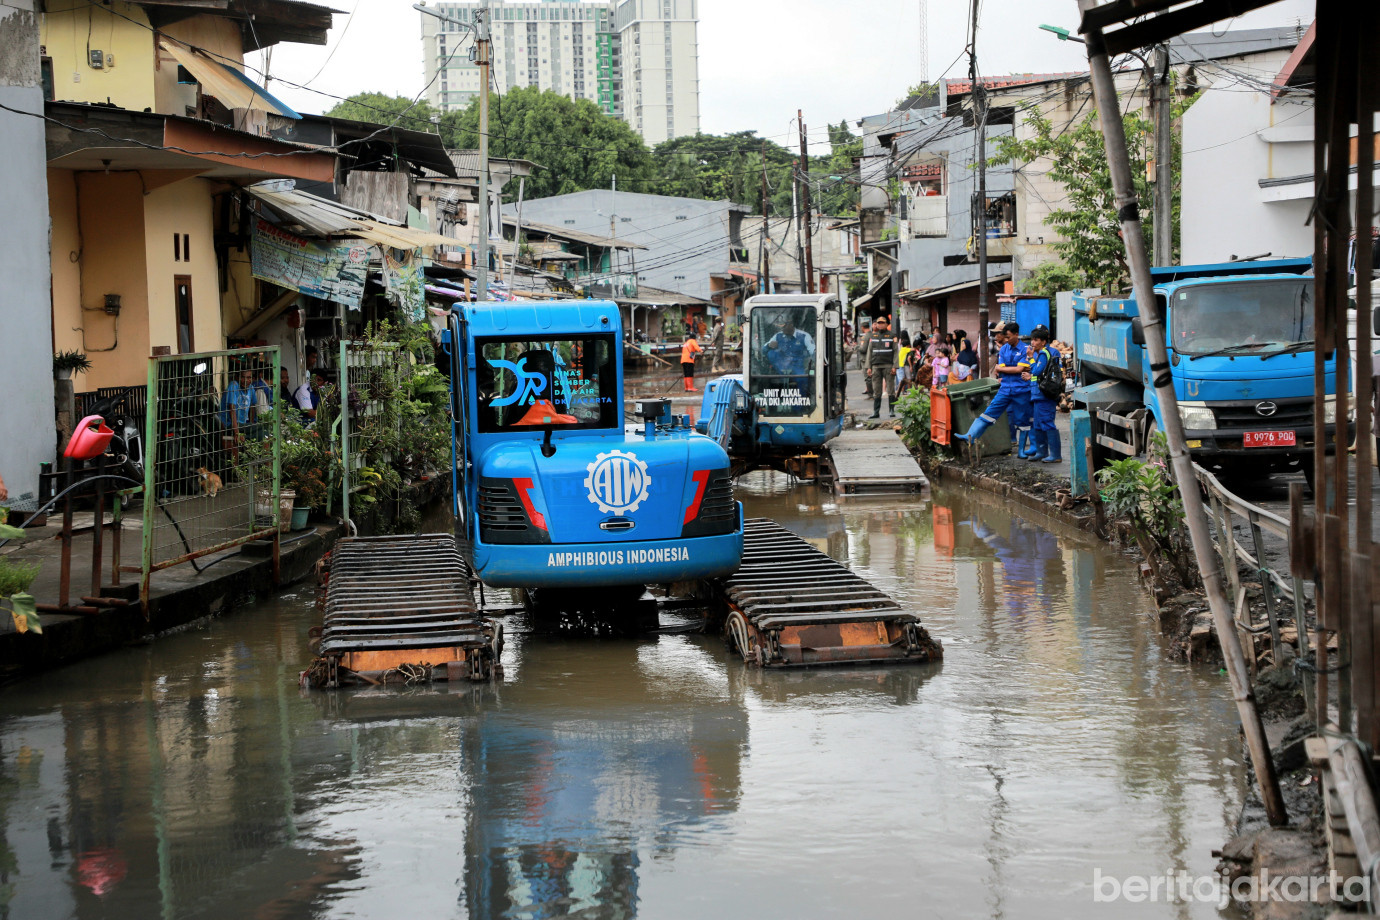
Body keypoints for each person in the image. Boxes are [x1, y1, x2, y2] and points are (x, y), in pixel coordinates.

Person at [954, 322, 1031, 446]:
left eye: (1009, 337)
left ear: (1017, 334)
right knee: (989, 413)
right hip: (1005, 389)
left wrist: (1004, 369)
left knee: (1023, 420)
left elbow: (1016, 369)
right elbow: (1007, 368)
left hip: (1021, 390)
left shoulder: (1026, 349)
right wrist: (1010, 368)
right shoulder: (1004, 349)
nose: (1006, 340)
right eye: (1005, 337)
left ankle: (1025, 450)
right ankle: (970, 436)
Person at [1022, 325, 1062, 462]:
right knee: (1038, 424)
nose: (1032, 343)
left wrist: (1031, 359)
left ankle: (1055, 455)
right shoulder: (1043, 354)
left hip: (1044, 395)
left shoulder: (1044, 353)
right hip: (1038, 395)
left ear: (1043, 342)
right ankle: (1041, 452)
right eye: (1032, 340)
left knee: (1046, 422)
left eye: (1036, 340)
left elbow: (1037, 371)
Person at [864, 315, 898, 418]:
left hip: (888, 365)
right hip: (875, 366)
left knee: (891, 389)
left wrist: (894, 366)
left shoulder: (892, 336)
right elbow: (869, 352)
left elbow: (896, 351)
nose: (880, 324)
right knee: (876, 390)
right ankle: (876, 412)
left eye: (882, 323)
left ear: (887, 324)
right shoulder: (873, 337)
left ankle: (891, 410)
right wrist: (868, 367)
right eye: (879, 323)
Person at [221, 367, 256, 436]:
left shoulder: (251, 388)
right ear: (237, 377)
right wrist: (236, 432)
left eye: (249, 378)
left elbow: (252, 407)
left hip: (242, 425)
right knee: (261, 430)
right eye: (243, 377)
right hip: (229, 424)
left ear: (253, 379)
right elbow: (232, 409)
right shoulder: (234, 385)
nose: (245, 380)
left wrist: (251, 425)